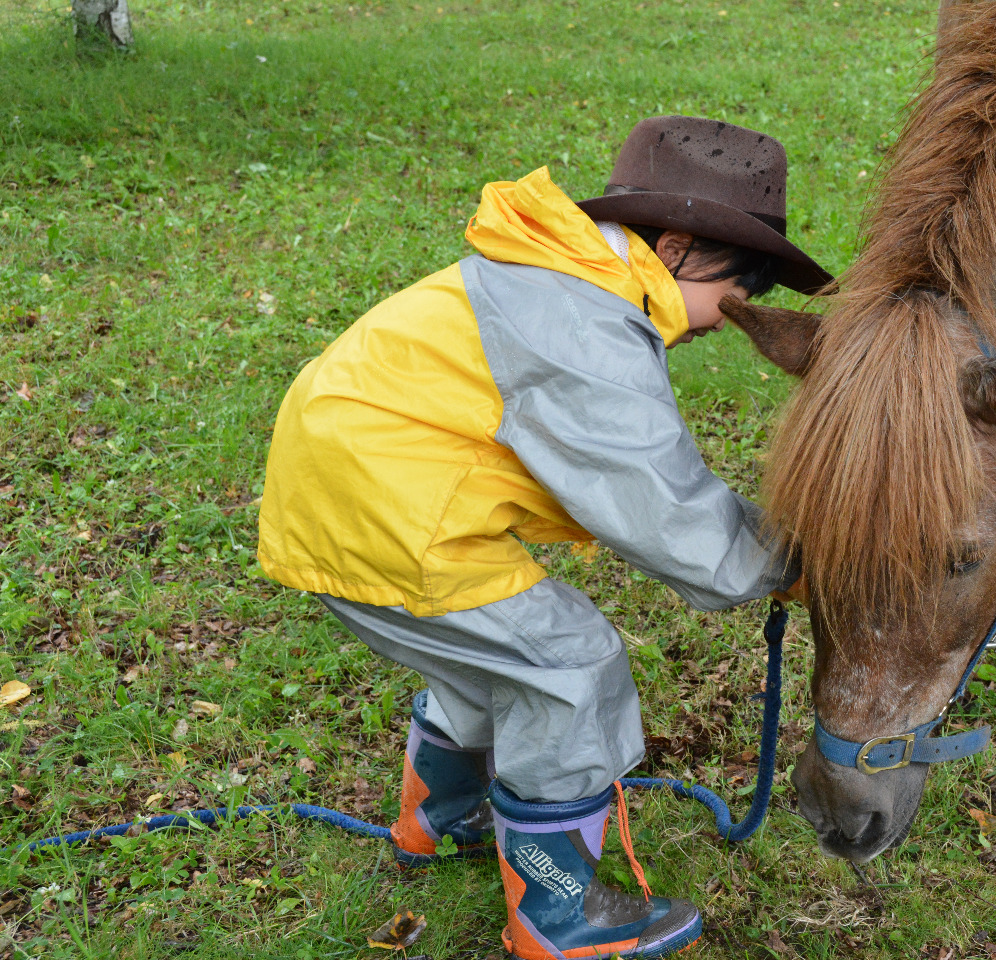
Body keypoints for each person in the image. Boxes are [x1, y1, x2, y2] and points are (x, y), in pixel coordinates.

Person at [257, 115, 829, 959]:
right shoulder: (582, 326)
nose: (737, 315)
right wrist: (782, 563)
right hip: (391, 513)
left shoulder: (562, 279)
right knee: (566, 667)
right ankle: (556, 920)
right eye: (740, 286)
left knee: (491, 661)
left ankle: (442, 816)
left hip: (346, 493)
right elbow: (654, 500)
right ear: (675, 250)